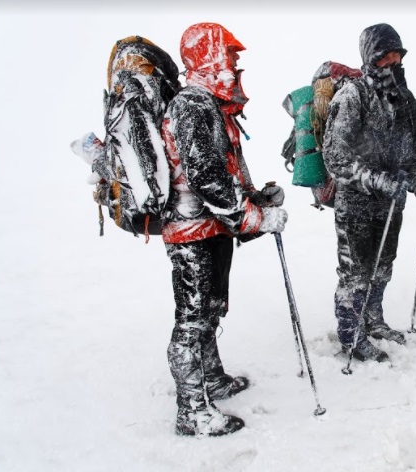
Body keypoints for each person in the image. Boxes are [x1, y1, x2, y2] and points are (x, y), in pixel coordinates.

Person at [161, 22, 287, 436]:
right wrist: (256, 219)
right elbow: (206, 177)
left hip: (213, 229)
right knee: (193, 319)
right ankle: (192, 411)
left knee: (212, 308)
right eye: (229, 54)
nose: (234, 63)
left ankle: (211, 379)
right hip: (191, 232)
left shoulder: (214, 105)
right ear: (208, 55)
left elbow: (225, 171)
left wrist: (256, 197)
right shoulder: (192, 105)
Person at [323, 23, 416, 362]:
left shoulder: (407, 101)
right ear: (369, 58)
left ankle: (373, 320)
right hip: (356, 204)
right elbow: (336, 157)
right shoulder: (352, 95)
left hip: (391, 205)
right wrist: (379, 181)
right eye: (384, 56)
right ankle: (351, 336)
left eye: (396, 56)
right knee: (355, 273)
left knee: (383, 267)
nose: (392, 62)